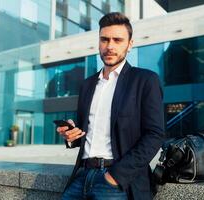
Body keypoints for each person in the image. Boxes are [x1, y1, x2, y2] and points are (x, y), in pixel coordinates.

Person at [57, 12, 164, 200]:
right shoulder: (88, 84)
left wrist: (115, 176)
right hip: (82, 176)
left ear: (130, 45)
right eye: (104, 39)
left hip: (116, 181)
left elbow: (155, 135)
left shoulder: (145, 80)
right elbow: (84, 134)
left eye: (117, 40)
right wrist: (71, 137)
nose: (110, 46)